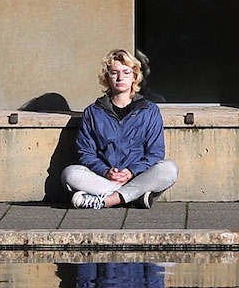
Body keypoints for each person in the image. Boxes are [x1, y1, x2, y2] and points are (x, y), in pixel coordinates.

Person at [64, 49, 179, 208]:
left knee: (169, 169)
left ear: (134, 77)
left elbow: (155, 152)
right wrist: (105, 171)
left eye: (126, 72)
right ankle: (135, 197)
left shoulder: (149, 111)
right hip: (104, 178)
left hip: (138, 177)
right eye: (114, 73)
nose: (120, 77)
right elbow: (86, 152)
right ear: (107, 77)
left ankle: (107, 200)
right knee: (70, 174)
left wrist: (131, 171)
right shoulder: (93, 112)